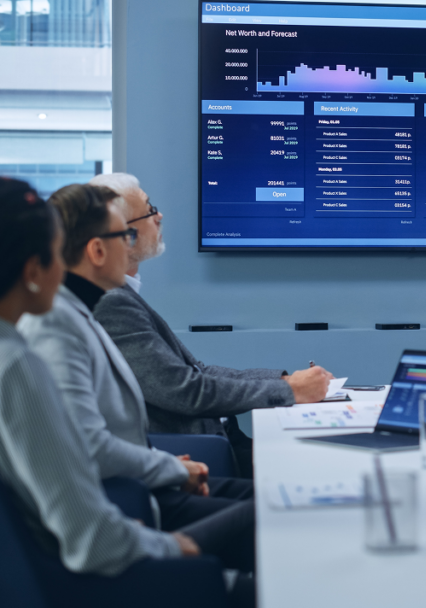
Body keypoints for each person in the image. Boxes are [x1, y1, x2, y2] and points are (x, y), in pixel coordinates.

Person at [0, 177, 251, 605]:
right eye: (58, 254)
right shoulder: (20, 362)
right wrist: (171, 545)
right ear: (33, 270)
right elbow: (92, 539)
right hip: (106, 573)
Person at [88, 173, 332, 474]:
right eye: (150, 210)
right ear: (123, 234)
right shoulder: (112, 301)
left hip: (219, 439)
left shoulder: (124, 294)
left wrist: (285, 381)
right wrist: (288, 390)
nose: (159, 216)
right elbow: (184, 390)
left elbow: (198, 371)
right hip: (201, 453)